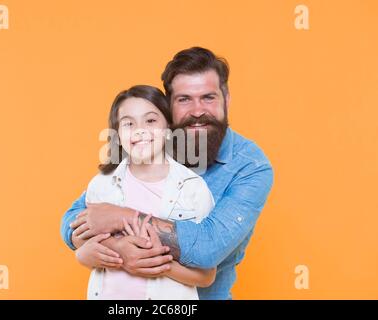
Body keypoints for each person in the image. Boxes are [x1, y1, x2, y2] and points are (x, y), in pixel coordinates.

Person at [61, 47, 274, 299]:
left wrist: (122, 218)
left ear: (226, 99)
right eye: (184, 99)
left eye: (208, 97)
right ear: (168, 107)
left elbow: (207, 248)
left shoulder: (250, 166)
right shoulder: (150, 147)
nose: (197, 111)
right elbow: (75, 218)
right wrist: (116, 250)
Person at [76, 85, 216, 299]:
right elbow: (84, 245)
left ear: (168, 128)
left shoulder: (193, 188)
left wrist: (153, 263)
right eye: (128, 124)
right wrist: (83, 255)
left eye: (150, 121)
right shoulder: (101, 186)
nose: (139, 130)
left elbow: (206, 276)